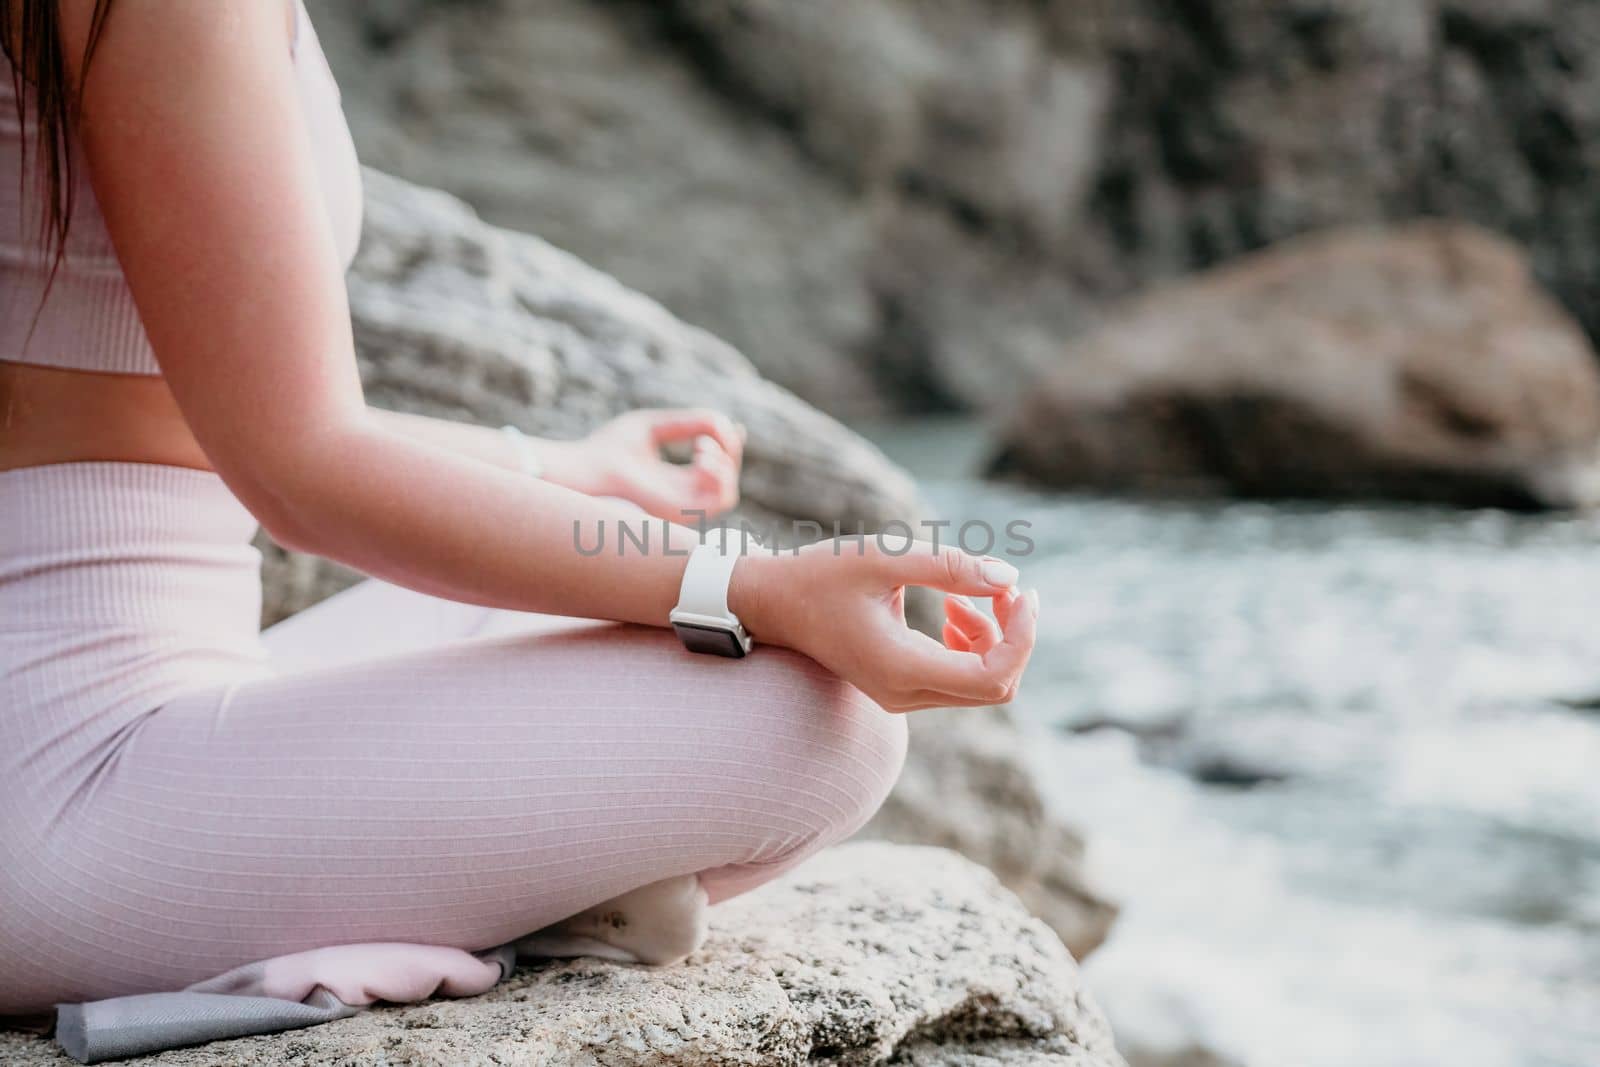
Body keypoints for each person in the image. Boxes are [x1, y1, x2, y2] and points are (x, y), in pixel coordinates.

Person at [0, 0, 1037, 1038]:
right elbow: (301, 470)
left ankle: (405, 903)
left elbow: (179, 413)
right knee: (819, 719)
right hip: (55, 792)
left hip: (122, 705)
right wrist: (756, 585)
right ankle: (445, 916)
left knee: (563, 617)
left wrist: (563, 471)